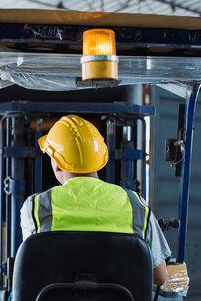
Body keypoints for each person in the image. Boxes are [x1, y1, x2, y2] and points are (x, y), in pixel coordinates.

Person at [20, 114, 170, 285]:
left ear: (57, 163)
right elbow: (160, 278)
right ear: (101, 158)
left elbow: (32, 268)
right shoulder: (137, 205)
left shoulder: (36, 207)